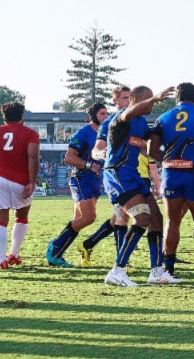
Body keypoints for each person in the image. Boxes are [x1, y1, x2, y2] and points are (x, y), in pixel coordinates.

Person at [102, 85, 175, 286]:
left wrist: (168, 159)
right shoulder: (120, 119)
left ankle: (157, 272)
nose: (151, 103)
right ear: (136, 100)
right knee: (142, 217)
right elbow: (129, 113)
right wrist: (156, 98)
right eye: (148, 99)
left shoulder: (142, 123)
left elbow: (150, 149)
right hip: (117, 174)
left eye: (152, 99)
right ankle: (117, 271)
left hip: (133, 175)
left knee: (156, 218)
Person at [149, 82, 194, 281]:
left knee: (172, 221)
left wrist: (168, 162)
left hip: (171, 174)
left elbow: (151, 150)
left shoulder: (163, 118)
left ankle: (169, 268)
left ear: (176, 97)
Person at [0, 102, 40, 269]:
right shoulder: (30, 134)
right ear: (22, 116)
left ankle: (1, 260)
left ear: (4, 116)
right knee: (22, 217)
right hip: (22, 181)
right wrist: (32, 181)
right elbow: (33, 158)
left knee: (0, 221)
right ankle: (14, 254)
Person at [46, 102, 108, 267]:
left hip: (95, 180)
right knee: (89, 217)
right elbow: (69, 157)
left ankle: (57, 253)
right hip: (82, 178)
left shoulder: (105, 134)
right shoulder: (83, 133)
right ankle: (54, 247)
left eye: (107, 114)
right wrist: (88, 165)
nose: (106, 117)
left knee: (79, 219)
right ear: (93, 116)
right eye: (102, 114)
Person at [81, 85, 132, 266]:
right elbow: (97, 148)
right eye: (125, 98)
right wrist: (98, 154)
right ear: (115, 101)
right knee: (123, 216)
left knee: (117, 218)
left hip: (137, 174)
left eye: (130, 97)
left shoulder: (137, 119)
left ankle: (88, 244)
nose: (129, 101)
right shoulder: (110, 122)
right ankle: (121, 262)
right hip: (120, 177)